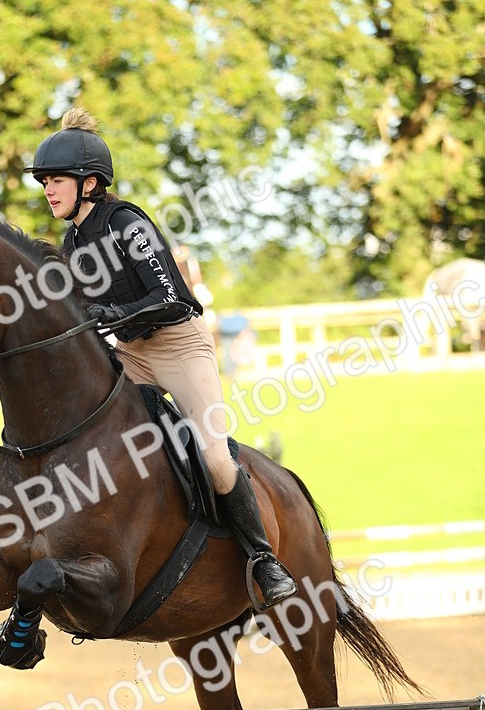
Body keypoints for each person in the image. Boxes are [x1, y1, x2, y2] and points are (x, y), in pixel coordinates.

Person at [24, 108, 295, 608]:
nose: (47, 189)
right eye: (44, 181)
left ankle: (263, 559)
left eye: (56, 180)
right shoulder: (72, 240)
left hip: (179, 344)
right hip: (132, 351)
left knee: (214, 455)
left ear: (89, 183)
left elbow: (169, 295)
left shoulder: (128, 223)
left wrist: (105, 309)